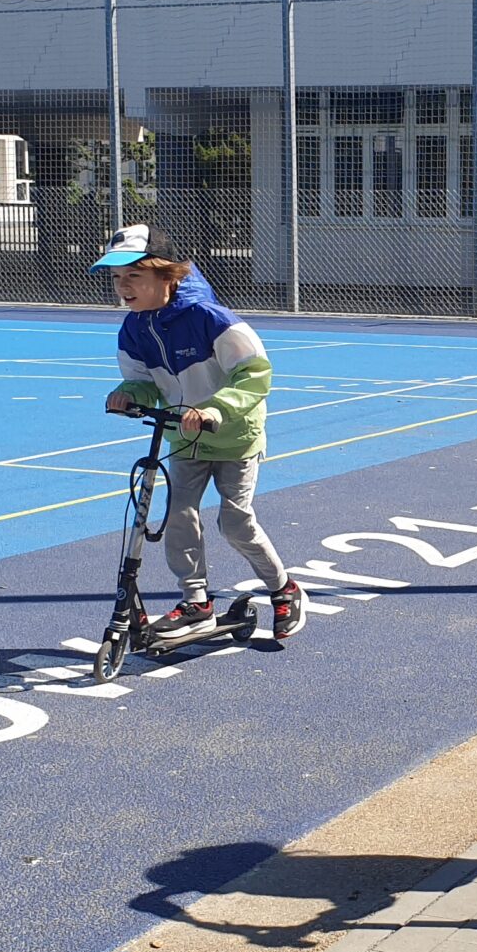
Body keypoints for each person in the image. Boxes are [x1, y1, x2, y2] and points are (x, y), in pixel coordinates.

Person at [95, 224, 307, 640]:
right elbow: (144, 382)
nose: (123, 287)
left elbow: (254, 373)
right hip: (184, 437)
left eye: (134, 275)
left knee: (235, 522)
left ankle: (284, 588)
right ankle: (196, 602)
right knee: (179, 516)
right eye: (117, 277)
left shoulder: (211, 319)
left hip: (234, 436)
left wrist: (215, 408)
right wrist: (128, 394)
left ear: (167, 275)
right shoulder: (134, 328)